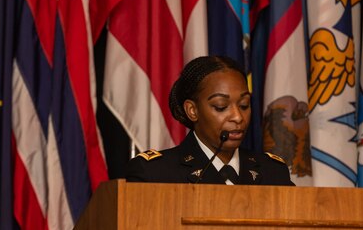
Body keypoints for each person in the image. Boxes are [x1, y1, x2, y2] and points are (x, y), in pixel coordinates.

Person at [124, 55, 294, 186]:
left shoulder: (273, 172)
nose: (237, 117)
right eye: (221, 106)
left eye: (244, 105)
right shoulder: (155, 173)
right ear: (193, 110)